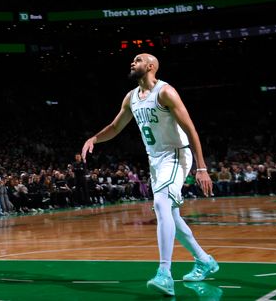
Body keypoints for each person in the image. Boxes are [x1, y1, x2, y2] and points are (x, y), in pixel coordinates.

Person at [81, 53, 217, 297]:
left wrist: (202, 167)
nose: (133, 63)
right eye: (133, 60)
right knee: (171, 215)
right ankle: (204, 260)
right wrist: (94, 138)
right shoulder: (131, 97)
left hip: (176, 154)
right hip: (155, 160)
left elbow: (190, 129)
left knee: (161, 203)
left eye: (138, 60)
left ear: (151, 66)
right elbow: (115, 128)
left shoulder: (166, 92)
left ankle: (164, 274)